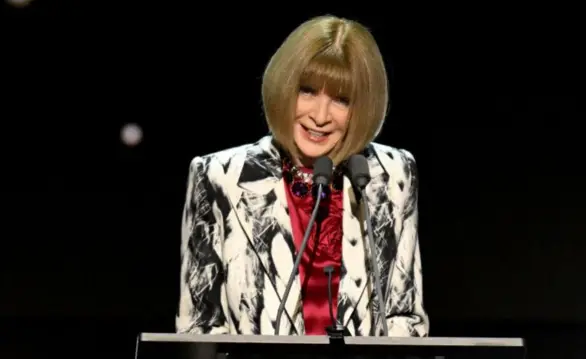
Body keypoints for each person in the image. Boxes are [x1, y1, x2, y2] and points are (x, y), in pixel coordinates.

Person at [176, 15, 429, 337]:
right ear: (283, 86)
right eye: (307, 91)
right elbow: (199, 324)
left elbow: (403, 313)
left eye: (341, 99)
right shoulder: (218, 176)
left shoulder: (392, 173)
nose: (320, 116)